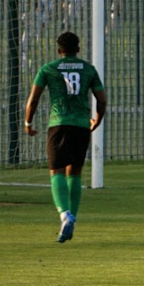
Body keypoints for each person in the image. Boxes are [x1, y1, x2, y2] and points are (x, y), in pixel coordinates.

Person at [24, 32, 107, 243]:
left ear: (59, 50)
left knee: (56, 170)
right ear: (78, 49)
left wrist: (28, 123)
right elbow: (102, 98)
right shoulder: (88, 69)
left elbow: (33, 99)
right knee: (75, 172)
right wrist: (97, 119)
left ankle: (64, 214)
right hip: (81, 125)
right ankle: (72, 219)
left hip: (59, 124)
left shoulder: (49, 68)